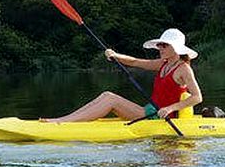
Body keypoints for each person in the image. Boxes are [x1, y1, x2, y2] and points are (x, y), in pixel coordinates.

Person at [45, 28, 202, 123]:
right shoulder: (164, 64)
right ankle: (65, 119)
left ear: (175, 48)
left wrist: (169, 108)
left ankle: (62, 122)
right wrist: (116, 55)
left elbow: (197, 97)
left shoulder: (184, 69)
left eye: (163, 45)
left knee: (111, 99)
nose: (159, 48)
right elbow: (134, 62)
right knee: (107, 94)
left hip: (159, 117)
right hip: (149, 111)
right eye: (159, 45)